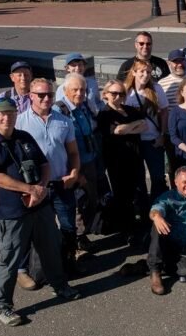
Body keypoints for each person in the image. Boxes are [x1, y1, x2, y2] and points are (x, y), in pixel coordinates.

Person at [0, 96, 81, 325]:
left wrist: (40, 188)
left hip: (39, 205)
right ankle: (2, 306)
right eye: (2, 114)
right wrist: (29, 189)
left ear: (16, 115)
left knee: (51, 249)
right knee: (8, 260)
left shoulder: (23, 136)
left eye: (11, 114)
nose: (6, 118)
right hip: (11, 212)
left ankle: (60, 286)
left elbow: (44, 164)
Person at [16, 78, 83, 279]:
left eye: (50, 95)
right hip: (37, 187)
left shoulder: (64, 121)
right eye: (41, 95)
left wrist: (74, 173)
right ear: (31, 96)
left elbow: (73, 152)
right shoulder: (20, 122)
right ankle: (39, 269)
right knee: (39, 230)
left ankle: (68, 263)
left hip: (62, 184)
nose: (46, 98)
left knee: (68, 226)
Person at [54, 74, 101, 253]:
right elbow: (60, 146)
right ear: (65, 90)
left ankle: (81, 236)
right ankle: (75, 242)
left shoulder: (82, 106)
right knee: (77, 204)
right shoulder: (60, 111)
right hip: (73, 166)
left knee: (90, 200)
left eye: (82, 89)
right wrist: (75, 171)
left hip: (89, 160)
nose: (79, 93)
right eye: (75, 89)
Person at [97, 80, 147, 240]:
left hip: (135, 157)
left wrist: (127, 128)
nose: (118, 96)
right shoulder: (104, 114)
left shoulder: (130, 110)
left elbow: (144, 126)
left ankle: (142, 224)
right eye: (114, 93)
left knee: (139, 191)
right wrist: (133, 125)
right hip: (117, 161)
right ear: (106, 94)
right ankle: (127, 229)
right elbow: (117, 131)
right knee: (122, 195)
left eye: (121, 94)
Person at [147, 167, 186, 295]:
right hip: (169, 244)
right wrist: (157, 216)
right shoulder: (167, 197)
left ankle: (143, 266)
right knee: (157, 224)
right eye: (184, 182)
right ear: (175, 182)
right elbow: (156, 209)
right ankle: (155, 271)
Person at [124, 59, 169, 202]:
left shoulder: (156, 88)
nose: (145, 75)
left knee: (157, 177)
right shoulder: (126, 91)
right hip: (134, 140)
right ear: (134, 72)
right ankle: (142, 207)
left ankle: (158, 205)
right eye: (142, 71)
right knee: (138, 178)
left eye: (148, 72)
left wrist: (162, 134)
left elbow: (164, 112)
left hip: (152, 139)